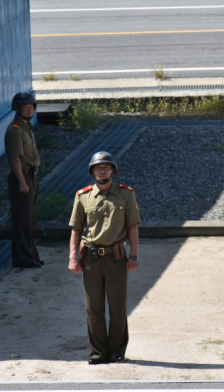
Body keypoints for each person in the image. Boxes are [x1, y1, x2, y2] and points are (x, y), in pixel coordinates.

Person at [68, 152, 140, 364]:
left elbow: (132, 227)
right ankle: (98, 353)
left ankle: (117, 351)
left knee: (117, 307)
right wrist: (73, 257)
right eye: (98, 167)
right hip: (90, 259)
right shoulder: (83, 196)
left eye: (107, 167)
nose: (102, 170)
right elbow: (76, 229)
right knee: (93, 308)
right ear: (92, 172)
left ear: (113, 171)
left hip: (116, 258)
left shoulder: (126, 194)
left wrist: (134, 256)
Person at [4, 92, 42, 269]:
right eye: (26, 107)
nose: (30, 109)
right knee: (22, 221)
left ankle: (31, 255)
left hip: (32, 176)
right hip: (23, 177)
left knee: (31, 219)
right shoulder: (15, 130)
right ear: (17, 108)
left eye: (31, 106)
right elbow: (15, 160)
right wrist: (22, 182)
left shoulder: (26, 127)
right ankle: (23, 259)